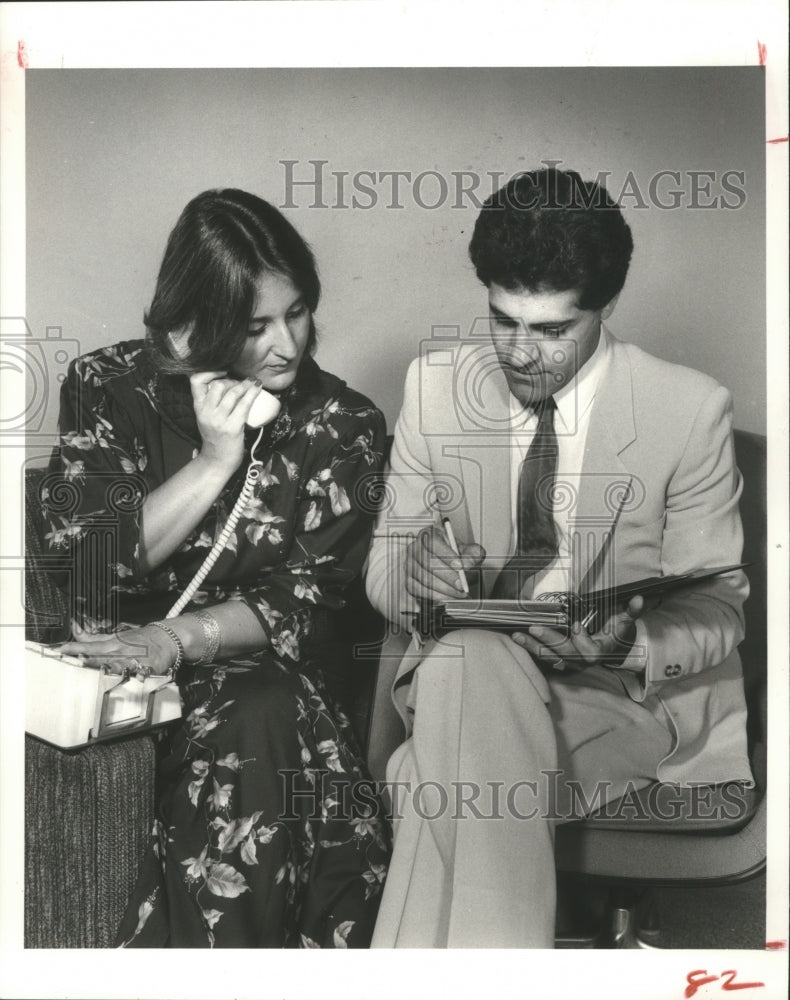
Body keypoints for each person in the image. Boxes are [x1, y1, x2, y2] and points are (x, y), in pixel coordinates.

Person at [364, 167, 753, 947]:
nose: (519, 352)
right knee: (472, 663)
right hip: (467, 671)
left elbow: (718, 607)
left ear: (606, 307)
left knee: (426, 778)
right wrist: (415, 574)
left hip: (618, 699)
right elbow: (383, 573)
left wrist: (628, 643)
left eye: (550, 331)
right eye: (502, 320)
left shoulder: (688, 409)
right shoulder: (435, 389)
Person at [45, 189, 390, 947]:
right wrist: (212, 461)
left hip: (262, 681)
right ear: (191, 328)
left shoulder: (345, 425)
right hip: (122, 676)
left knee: (261, 714)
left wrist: (171, 640)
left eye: (297, 313)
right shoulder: (108, 388)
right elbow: (91, 564)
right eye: (255, 326)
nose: (286, 346)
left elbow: (299, 604)